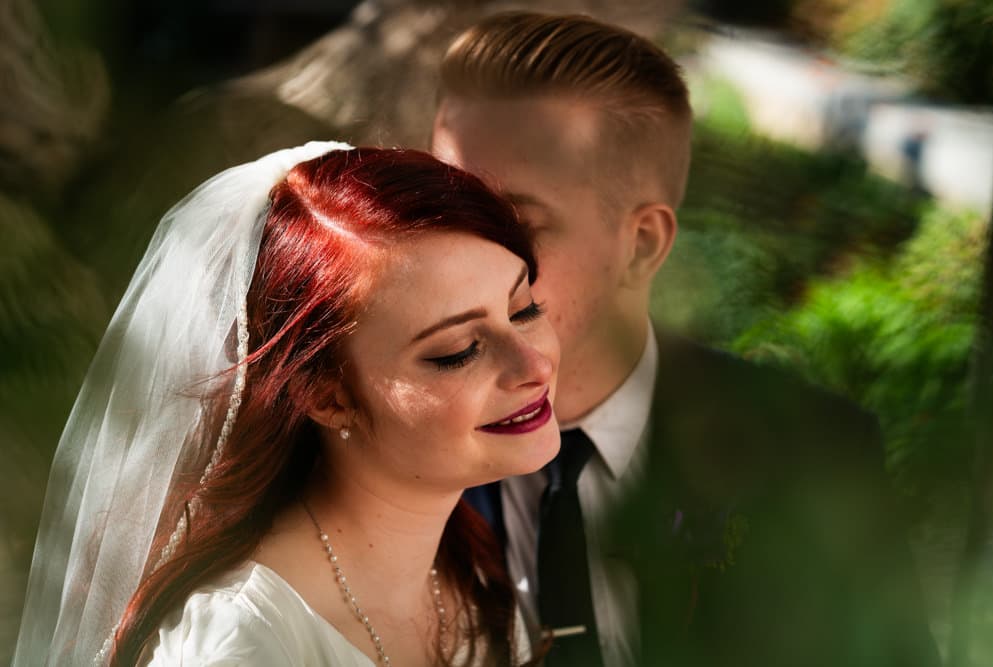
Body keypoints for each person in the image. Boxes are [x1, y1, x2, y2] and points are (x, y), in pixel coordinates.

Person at [431, 12, 942, 667]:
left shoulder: (811, 456)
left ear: (641, 245)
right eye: (445, 209)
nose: (462, 257)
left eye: (517, 222)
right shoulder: (379, 450)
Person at [13, 142, 561, 666]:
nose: (533, 365)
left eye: (523, 309)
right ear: (328, 397)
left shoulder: (468, 576)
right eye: (457, 351)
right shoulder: (236, 645)